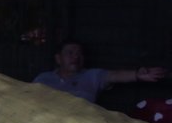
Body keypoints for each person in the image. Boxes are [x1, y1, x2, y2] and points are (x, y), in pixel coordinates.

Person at [33, 39, 166, 103]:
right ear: (58, 58)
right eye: (70, 53)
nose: (75, 57)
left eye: (79, 54)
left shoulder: (92, 75)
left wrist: (137, 75)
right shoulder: (43, 79)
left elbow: (114, 75)